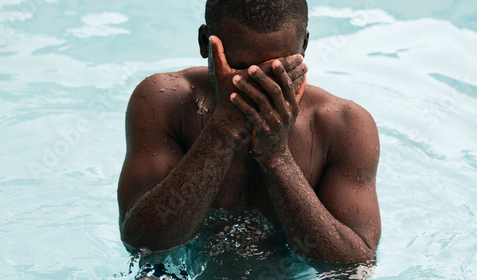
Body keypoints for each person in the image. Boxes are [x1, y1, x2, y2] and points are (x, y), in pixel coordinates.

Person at [117, 0, 381, 265]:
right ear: (204, 43)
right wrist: (224, 128)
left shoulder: (344, 125)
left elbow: (355, 265)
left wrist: (276, 158)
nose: (259, 89)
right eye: (242, 70)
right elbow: (142, 243)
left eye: (277, 71)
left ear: (303, 48)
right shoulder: (164, 102)